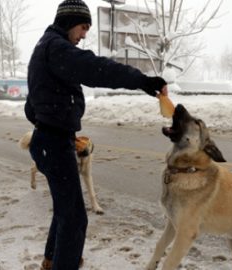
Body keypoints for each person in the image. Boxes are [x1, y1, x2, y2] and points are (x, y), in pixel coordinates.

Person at [24, 1, 167, 269]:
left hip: (48, 140)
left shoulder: (44, 47)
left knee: (65, 211)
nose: (84, 34)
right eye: (83, 27)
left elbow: (30, 107)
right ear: (69, 23)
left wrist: (51, 123)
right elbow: (97, 69)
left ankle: (51, 260)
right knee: (76, 218)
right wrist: (143, 81)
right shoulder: (57, 48)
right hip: (54, 143)